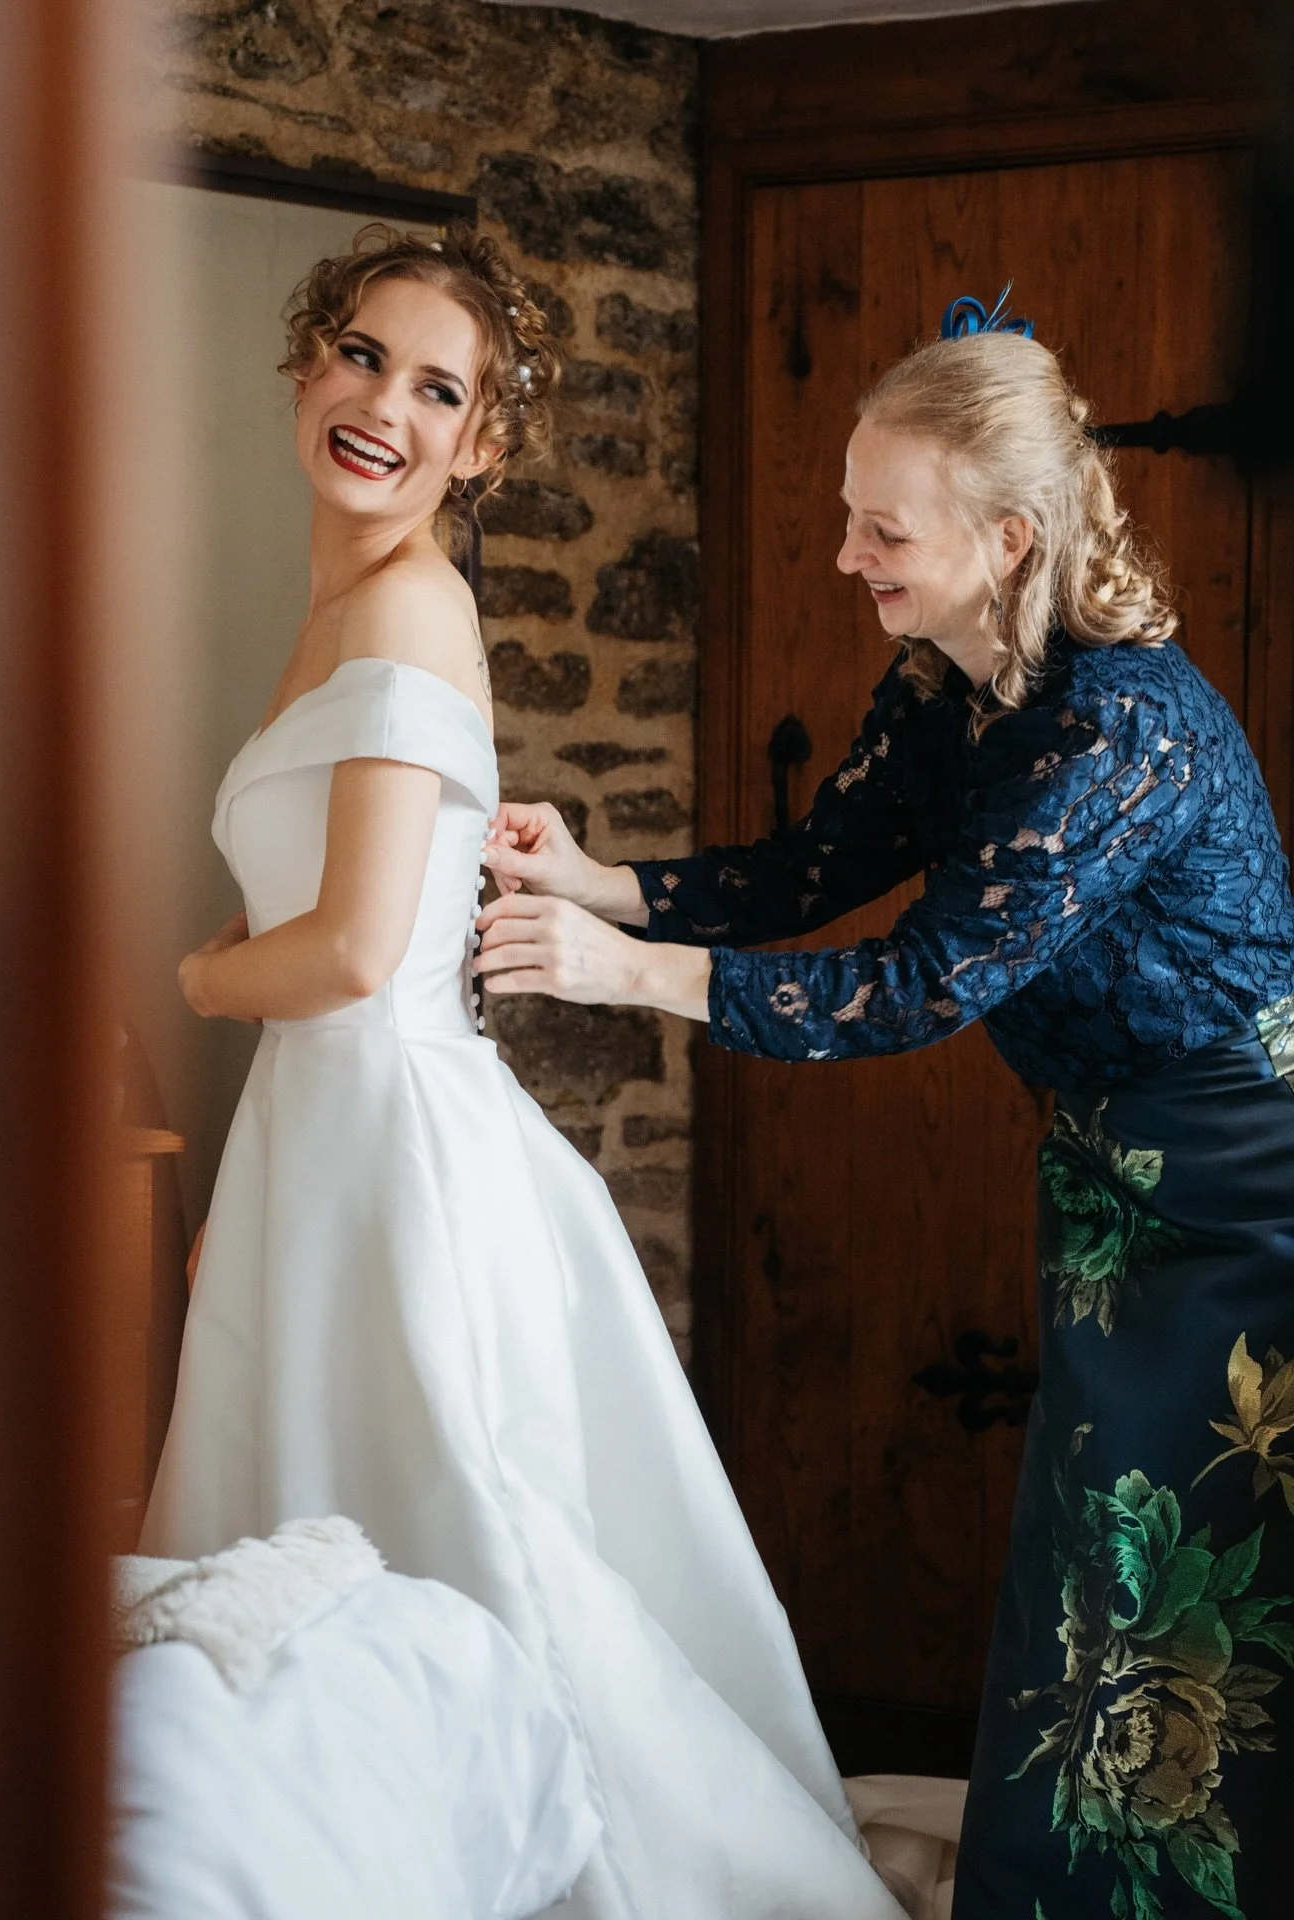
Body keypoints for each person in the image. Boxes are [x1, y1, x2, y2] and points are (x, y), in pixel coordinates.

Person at [477, 304, 1294, 1920]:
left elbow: (917, 985)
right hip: (1111, 1176)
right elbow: (809, 872)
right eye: (850, 512)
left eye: (879, 525)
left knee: (1189, 1577)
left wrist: (621, 978)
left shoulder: (1123, 729)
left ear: (1008, 539)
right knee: (1091, 1566)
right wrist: (605, 884)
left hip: (1249, 1186)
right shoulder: (945, 686)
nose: (845, 553)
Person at [140, 224, 903, 1920]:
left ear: (479, 442)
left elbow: (343, 952)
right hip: (319, 1139)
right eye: (360, 357)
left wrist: (191, 975)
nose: (382, 408)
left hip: (393, 1143)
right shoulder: (341, 608)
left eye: (437, 389)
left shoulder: (411, 606)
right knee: (323, 1532)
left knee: (456, 1536)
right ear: (306, 364)